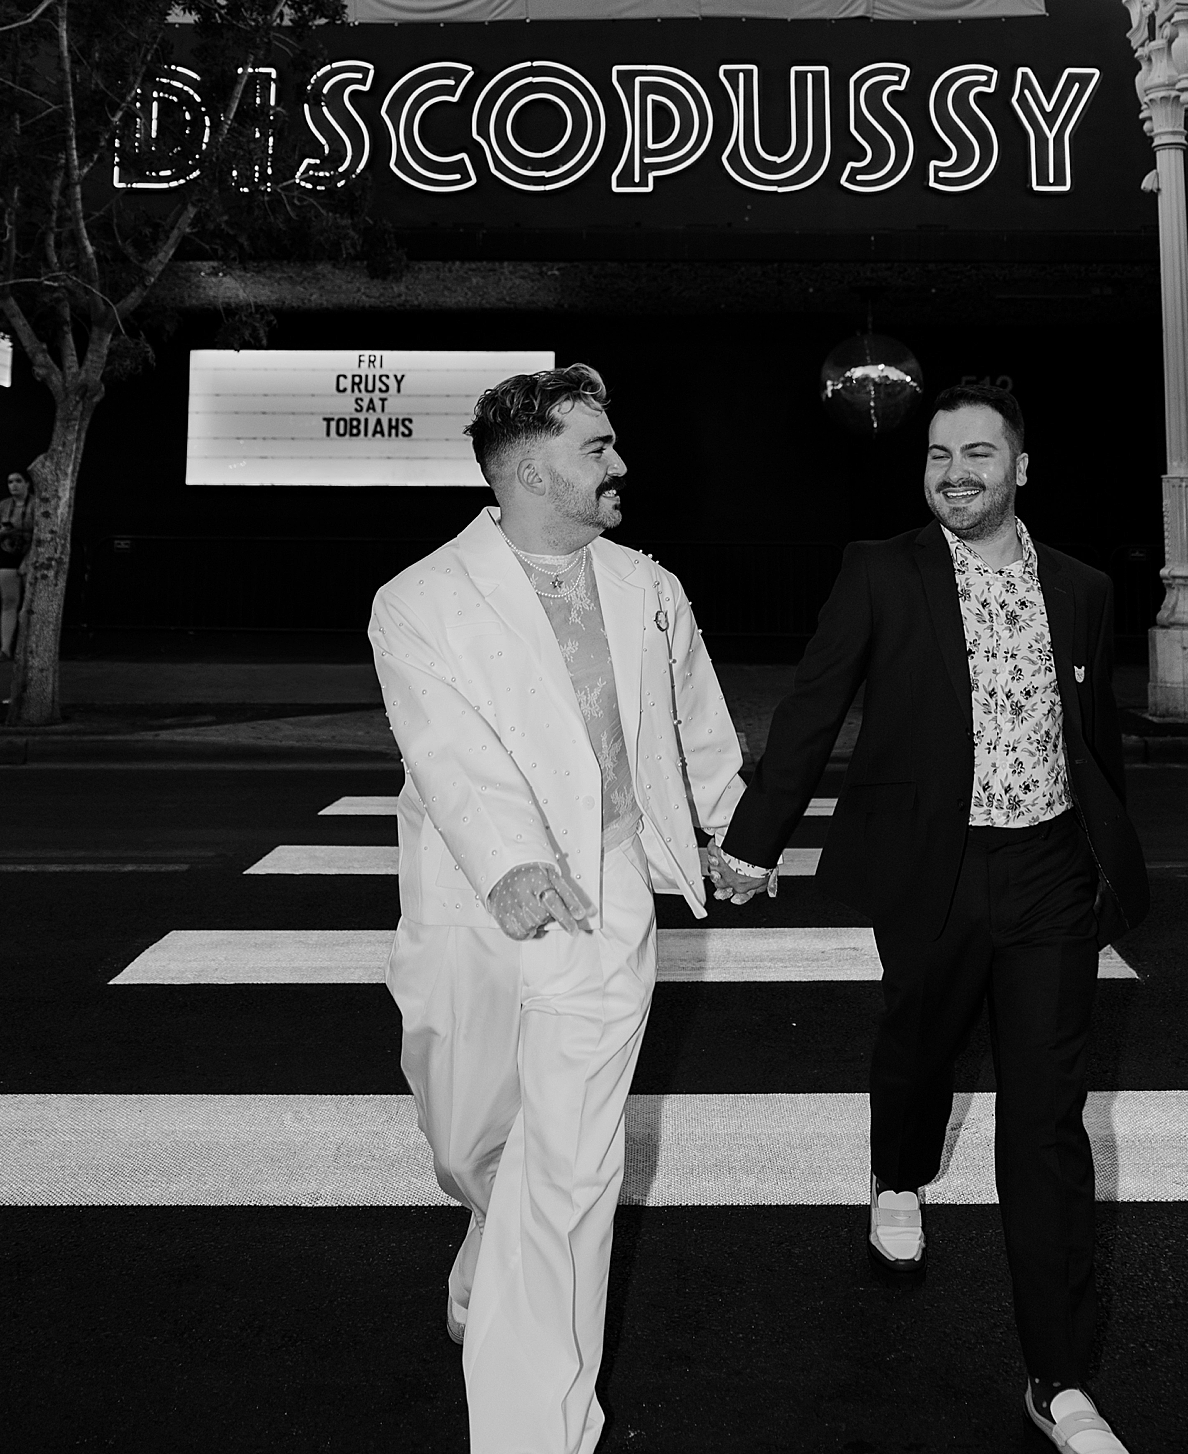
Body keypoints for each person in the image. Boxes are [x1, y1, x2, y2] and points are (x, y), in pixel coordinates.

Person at [711, 383, 1148, 1454]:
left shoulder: (1081, 587)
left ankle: (1058, 1376)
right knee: (920, 1047)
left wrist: (1106, 857)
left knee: (1048, 1120)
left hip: (1047, 873)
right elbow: (815, 706)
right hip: (930, 868)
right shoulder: (881, 570)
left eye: (980, 453)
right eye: (940, 453)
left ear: (1021, 469)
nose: (956, 470)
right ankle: (899, 1173)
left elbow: (1089, 735)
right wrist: (755, 840)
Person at [369, 362, 744, 1454]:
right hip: (475, 904)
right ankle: (488, 1216)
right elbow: (449, 753)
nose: (620, 464)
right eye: (597, 448)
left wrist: (730, 832)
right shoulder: (420, 599)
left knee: (576, 1169)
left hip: (606, 898)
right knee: (467, 1125)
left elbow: (696, 723)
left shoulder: (648, 588)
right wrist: (512, 863)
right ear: (533, 468)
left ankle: (540, 1430)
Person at [0, 468, 36, 661]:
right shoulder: (3, 505)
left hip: (31, 554)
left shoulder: (36, 504)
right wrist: (4, 532)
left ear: (27, 484)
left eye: (18, 481)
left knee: (30, 604)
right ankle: (5, 648)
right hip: (8, 553)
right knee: (9, 602)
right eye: (10, 482)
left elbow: (41, 534)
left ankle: (30, 649)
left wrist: (29, 559)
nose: (13, 485)